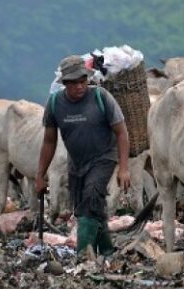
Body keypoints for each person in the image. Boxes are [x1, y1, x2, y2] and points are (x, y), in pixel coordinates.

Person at [36, 55, 131, 256]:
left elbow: (121, 133)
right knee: (86, 208)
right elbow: (49, 141)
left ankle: (82, 255)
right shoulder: (55, 104)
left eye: (82, 81)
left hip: (104, 157)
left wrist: (123, 168)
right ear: (65, 84)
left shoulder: (101, 97)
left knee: (90, 198)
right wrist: (40, 175)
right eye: (74, 83)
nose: (79, 87)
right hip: (77, 163)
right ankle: (106, 250)